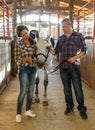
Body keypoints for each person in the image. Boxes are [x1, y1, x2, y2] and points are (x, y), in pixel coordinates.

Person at [49, 18, 88, 119]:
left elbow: (84, 50)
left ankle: (82, 109)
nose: (62, 28)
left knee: (78, 89)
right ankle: (69, 106)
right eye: (62, 26)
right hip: (63, 68)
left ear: (70, 25)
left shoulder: (79, 36)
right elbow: (56, 52)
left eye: (64, 26)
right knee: (66, 89)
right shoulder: (61, 38)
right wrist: (50, 49)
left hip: (74, 67)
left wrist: (74, 58)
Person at [15, 25, 37, 123]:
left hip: (33, 69)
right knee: (23, 91)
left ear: (28, 31)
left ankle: (28, 110)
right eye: (23, 35)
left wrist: (35, 60)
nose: (25, 36)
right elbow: (16, 59)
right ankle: (18, 113)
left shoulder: (34, 42)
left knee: (31, 90)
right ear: (20, 36)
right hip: (23, 69)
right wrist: (27, 59)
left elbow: (36, 55)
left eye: (26, 33)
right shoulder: (18, 44)